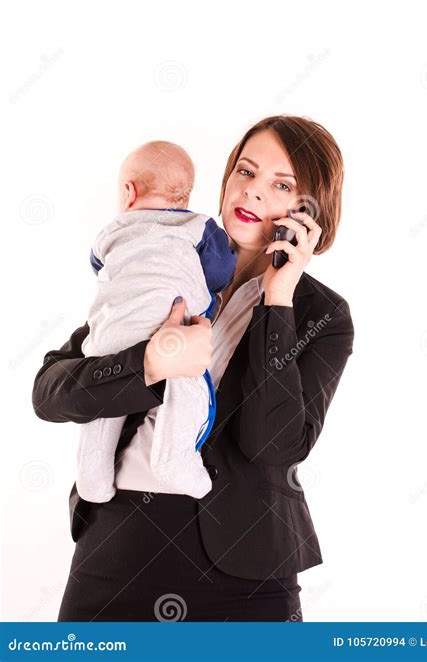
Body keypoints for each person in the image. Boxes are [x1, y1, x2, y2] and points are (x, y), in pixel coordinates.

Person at [32, 114, 355, 622]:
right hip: (116, 552)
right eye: (245, 173)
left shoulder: (322, 316)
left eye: (281, 185)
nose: (251, 193)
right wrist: (148, 364)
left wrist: (278, 301)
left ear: (309, 212)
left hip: (245, 577)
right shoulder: (162, 263)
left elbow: (271, 444)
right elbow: (51, 393)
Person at [75, 139, 236, 503]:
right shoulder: (199, 226)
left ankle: (92, 474)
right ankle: (174, 457)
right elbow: (222, 268)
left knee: (105, 406)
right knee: (188, 386)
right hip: (171, 331)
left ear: (128, 192)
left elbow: (99, 265)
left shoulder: (111, 231)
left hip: (107, 337)